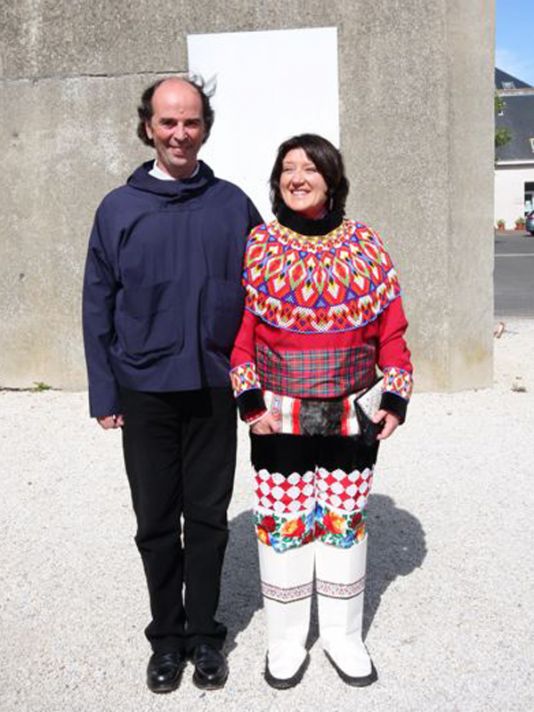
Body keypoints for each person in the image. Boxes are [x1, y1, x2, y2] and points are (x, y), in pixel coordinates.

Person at [82, 75, 262, 693]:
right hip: (146, 386)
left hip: (215, 385)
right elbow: (97, 302)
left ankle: (207, 636)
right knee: (156, 520)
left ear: (205, 126)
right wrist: (104, 391)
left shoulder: (233, 204)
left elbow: (267, 294)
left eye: (190, 121)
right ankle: (166, 637)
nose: (180, 133)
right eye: (168, 122)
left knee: (209, 520)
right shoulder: (118, 208)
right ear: (148, 128)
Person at [230, 134, 413, 689]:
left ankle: (342, 634)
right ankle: (285, 641)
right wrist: (249, 401)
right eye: (288, 169)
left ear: (332, 178)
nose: (298, 177)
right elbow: (241, 332)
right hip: (277, 413)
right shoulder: (259, 246)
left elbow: (393, 330)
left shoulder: (366, 246)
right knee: (284, 524)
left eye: (310, 168)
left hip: (351, 411)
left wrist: (397, 397)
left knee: (342, 523)